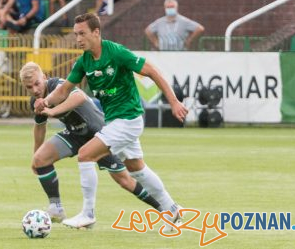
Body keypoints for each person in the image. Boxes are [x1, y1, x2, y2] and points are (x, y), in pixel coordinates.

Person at [34, 13, 188, 230]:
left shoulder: (116, 52)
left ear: (96, 32)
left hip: (128, 120)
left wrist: (174, 102)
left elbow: (152, 71)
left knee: (86, 154)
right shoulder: (84, 61)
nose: (78, 39)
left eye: (82, 34)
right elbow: (64, 90)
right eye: (75, 34)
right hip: (116, 121)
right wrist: (46, 101)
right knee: (137, 169)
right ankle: (172, 209)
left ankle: (88, 214)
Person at [20, 62, 162, 227]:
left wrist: (53, 111)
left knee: (125, 181)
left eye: (37, 83)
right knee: (41, 159)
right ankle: (56, 208)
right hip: (75, 134)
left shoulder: (56, 85)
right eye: (29, 87)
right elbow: (39, 128)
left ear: (44, 77)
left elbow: (79, 97)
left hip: (99, 134)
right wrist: (35, 155)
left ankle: (163, 209)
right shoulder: (36, 102)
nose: (35, 90)